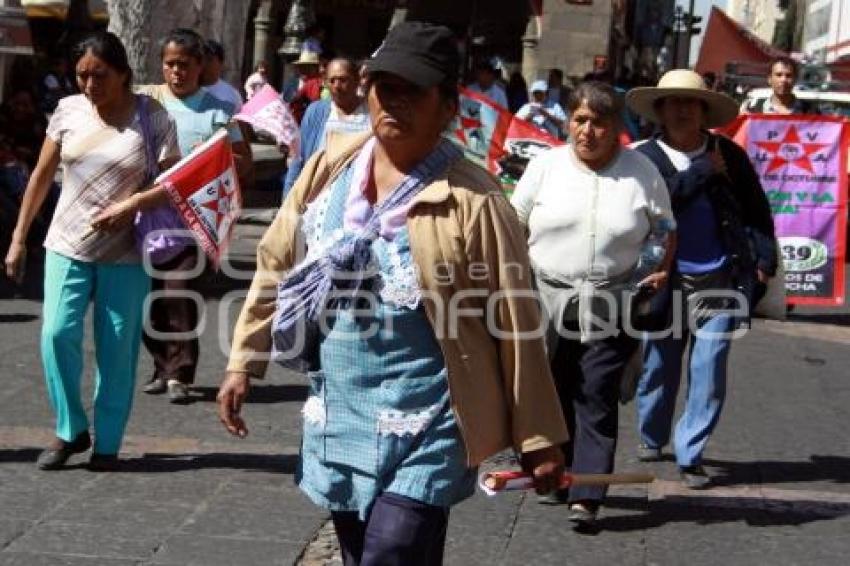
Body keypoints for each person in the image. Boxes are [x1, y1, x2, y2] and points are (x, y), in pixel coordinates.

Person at [216, 21, 566, 564]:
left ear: (448, 106)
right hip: (341, 406)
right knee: (364, 553)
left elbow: (517, 321)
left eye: (412, 91)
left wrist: (538, 436)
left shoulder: (476, 199)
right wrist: (244, 359)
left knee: (391, 550)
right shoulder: (329, 169)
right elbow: (275, 263)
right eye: (384, 88)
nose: (393, 103)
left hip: (430, 417)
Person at [4, 31, 180, 470]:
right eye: (81, 75)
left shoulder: (152, 116)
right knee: (55, 334)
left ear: (122, 73)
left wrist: (132, 205)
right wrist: (18, 238)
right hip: (67, 243)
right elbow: (41, 176)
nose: (89, 85)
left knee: (116, 350)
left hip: (127, 253)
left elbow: (175, 184)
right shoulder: (67, 111)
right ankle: (70, 429)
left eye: (98, 75)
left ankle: (108, 442)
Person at [511, 81, 676, 525]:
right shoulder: (546, 166)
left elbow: (663, 228)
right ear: (568, 121)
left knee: (597, 391)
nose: (587, 131)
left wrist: (657, 267)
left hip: (613, 299)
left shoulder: (642, 172)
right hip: (546, 297)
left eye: (598, 122)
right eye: (579, 120)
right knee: (554, 387)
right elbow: (515, 223)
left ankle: (588, 492)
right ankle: (555, 473)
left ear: (616, 126)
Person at [626, 69, 777, 488]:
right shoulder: (641, 158)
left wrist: (764, 259)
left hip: (721, 276)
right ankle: (651, 434)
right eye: (673, 102)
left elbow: (756, 209)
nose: (682, 110)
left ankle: (691, 451)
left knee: (709, 366)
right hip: (663, 281)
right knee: (659, 365)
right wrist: (701, 173)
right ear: (659, 109)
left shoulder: (729, 155)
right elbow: (652, 207)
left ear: (704, 110)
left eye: (690, 102)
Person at [137, 28, 252, 404]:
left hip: (195, 220)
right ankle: (160, 365)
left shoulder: (218, 111)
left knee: (179, 291)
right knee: (150, 295)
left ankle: (180, 373)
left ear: (199, 66)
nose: (176, 72)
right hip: (149, 217)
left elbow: (243, 161)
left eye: (184, 65)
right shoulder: (149, 104)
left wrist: (214, 155)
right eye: (170, 64)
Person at [282, 57, 370, 196]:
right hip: (317, 198)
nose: (337, 85)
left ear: (357, 80)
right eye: (332, 80)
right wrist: (288, 196)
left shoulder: (371, 115)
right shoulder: (316, 112)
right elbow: (299, 157)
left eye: (343, 80)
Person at [742, 56, 816, 115]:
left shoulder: (811, 112)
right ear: (769, 79)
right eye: (779, 75)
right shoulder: (755, 112)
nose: (783, 80)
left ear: (795, 79)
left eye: (788, 75)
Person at [202, 39, 243, 114]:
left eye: (209, 59)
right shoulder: (187, 91)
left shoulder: (232, 95)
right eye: (201, 59)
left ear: (221, 63)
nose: (204, 64)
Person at [287, 50, 324, 124]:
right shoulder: (293, 82)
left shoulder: (320, 83)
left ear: (315, 68)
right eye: (301, 66)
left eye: (307, 66)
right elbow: (287, 99)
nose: (303, 69)